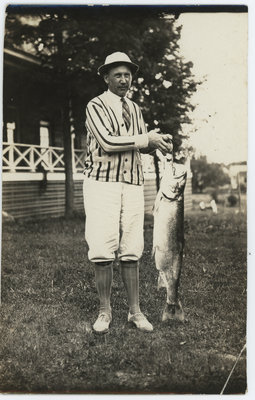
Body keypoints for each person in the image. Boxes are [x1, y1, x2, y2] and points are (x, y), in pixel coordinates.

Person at [83, 52, 173, 334]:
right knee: (102, 247)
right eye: (117, 74)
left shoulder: (134, 108)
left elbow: (137, 144)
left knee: (132, 247)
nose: (123, 80)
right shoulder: (95, 105)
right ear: (106, 77)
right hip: (102, 183)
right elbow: (109, 142)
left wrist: (156, 142)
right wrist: (146, 138)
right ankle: (104, 311)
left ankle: (135, 311)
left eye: (127, 74)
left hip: (133, 182)